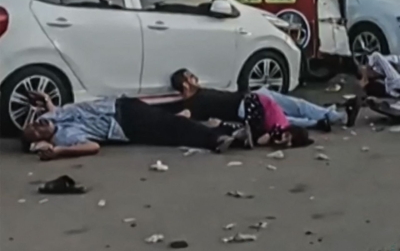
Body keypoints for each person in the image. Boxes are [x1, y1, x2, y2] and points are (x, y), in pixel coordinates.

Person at [21, 93, 242, 160]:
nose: (38, 123)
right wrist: (59, 152)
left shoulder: (54, 116)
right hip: (125, 124)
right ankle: (219, 135)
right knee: (174, 129)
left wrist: (45, 99)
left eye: (34, 122)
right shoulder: (64, 138)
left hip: (122, 105)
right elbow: (92, 147)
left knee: (171, 123)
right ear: (42, 141)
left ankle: (222, 130)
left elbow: (51, 109)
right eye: (36, 130)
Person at [168, 69, 358, 131]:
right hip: (244, 108)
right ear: (185, 85)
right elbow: (184, 116)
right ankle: (325, 120)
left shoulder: (201, 94)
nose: (196, 79)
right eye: (191, 77)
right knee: (284, 119)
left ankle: (331, 116)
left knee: (296, 106)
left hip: (254, 96)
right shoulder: (193, 104)